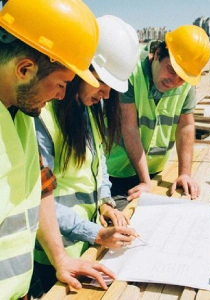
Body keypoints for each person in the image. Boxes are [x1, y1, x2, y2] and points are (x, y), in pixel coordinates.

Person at [0, 1, 115, 299]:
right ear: (25, 69)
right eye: (61, 83)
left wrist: (61, 259)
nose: (62, 95)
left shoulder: (21, 116)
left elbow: (41, 189)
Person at [32, 15, 140, 295]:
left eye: (111, 88)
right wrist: (95, 233)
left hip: (84, 248)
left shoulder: (86, 107)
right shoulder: (42, 116)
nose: (105, 93)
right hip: (51, 255)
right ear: (81, 67)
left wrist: (104, 202)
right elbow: (40, 199)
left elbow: (98, 164)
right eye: (101, 82)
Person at [105, 25, 210, 208]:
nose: (175, 82)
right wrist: (145, 181)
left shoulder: (184, 84)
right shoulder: (131, 71)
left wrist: (184, 173)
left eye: (183, 77)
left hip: (155, 169)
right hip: (116, 171)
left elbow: (185, 126)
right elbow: (129, 127)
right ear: (157, 53)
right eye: (171, 70)